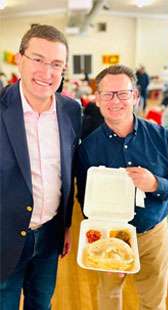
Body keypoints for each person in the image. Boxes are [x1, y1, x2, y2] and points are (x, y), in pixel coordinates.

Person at [0, 24, 81, 310]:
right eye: (38, 59)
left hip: (50, 235)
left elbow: (67, 171)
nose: (47, 73)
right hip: (5, 237)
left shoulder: (72, 110)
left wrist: (67, 225)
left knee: (41, 303)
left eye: (56, 64)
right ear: (19, 58)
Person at [76, 65, 168, 310]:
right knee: (109, 298)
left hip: (153, 235)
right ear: (97, 99)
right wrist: (105, 241)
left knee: (153, 302)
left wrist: (155, 184)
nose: (115, 101)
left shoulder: (161, 137)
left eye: (123, 93)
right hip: (107, 235)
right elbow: (84, 198)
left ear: (136, 97)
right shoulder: (88, 148)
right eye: (107, 94)